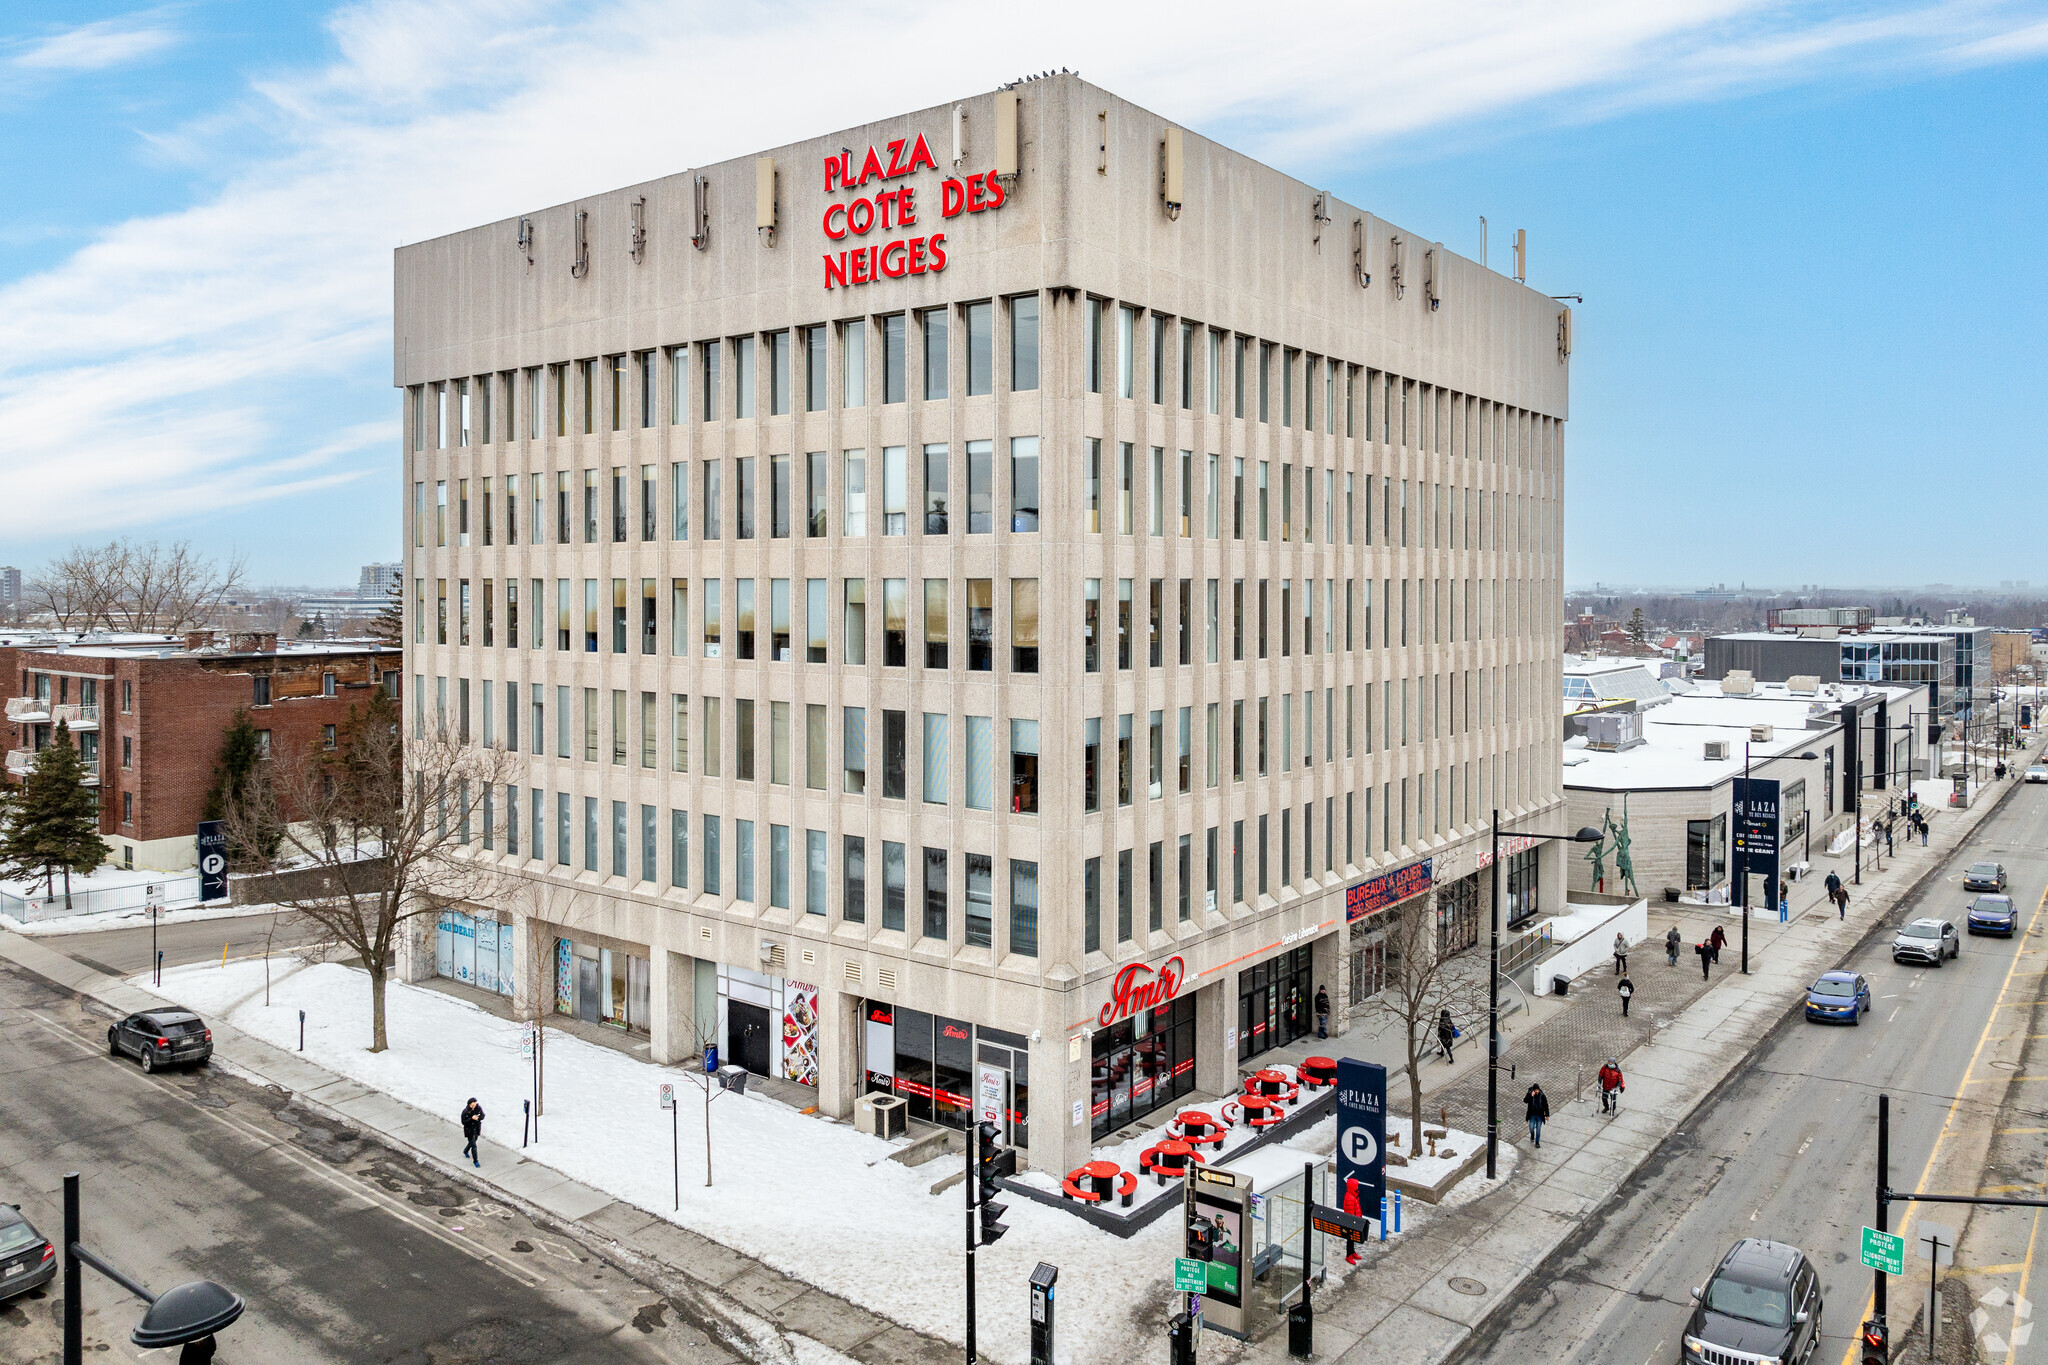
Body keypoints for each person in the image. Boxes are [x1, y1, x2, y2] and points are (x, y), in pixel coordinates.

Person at [460, 1097, 485, 1168]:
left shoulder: (478, 1108)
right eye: (472, 1105)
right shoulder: (465, 1112)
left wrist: (478, 1118)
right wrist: (471, 1119)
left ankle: (465, 1150)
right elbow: (463, 1122)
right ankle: (475, 1161)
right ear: (469, 1104)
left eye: (475, 1105)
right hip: (469, 1130)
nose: (474, 1107)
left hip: (476, 1129)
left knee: (473, 1142)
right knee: (474, 1146)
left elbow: (483, 1116)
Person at [1524, 1082, 1550, 1148]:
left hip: (1539, 1115)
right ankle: (1532, 1135)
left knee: (1538, 1129)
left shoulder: (1542, 1095)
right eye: (1535, 1091)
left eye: (1537, 1090)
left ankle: (1537, 1142)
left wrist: (1547, 1115)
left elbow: (1546, 1105)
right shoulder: (1530, 1094)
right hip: (1532, 1114)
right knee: (1531, 1128)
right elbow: (1525, 1100)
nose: (1536, 1092)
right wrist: (1531, 1096)